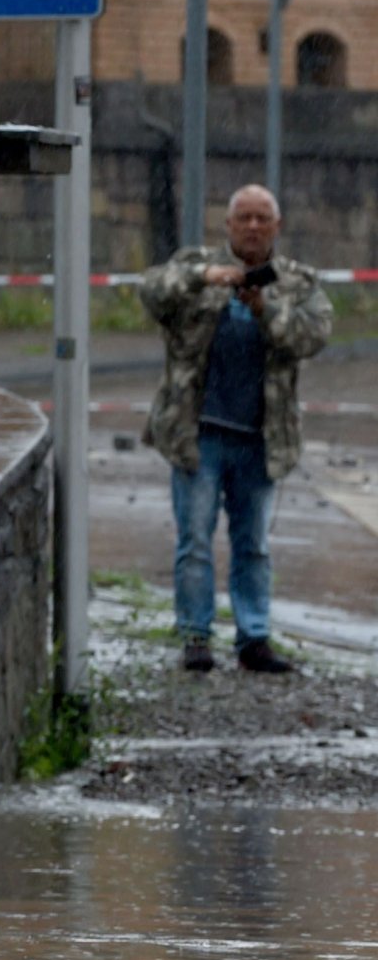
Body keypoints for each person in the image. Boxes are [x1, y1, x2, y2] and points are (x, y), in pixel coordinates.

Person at [136, 184, 332, 674]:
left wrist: (265, 308)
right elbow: (151, 291)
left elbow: (312, 336)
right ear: (227, 225)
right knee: (195, 541)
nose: (252, 226)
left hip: (261, 440)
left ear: (277, 226)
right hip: (197, 434)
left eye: (262, 218)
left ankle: (254, 636)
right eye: (243, 217)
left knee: (254, 544)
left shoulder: (298, 283)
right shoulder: (196, 268)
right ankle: (196, 636)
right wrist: (206, 277)